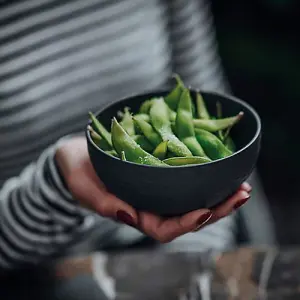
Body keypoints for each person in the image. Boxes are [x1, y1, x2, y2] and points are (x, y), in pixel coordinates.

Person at [0, 0, 267, 270]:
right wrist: (55, 185)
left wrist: (186, 264)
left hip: (175, 259)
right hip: (36, 276)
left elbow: (206, 100)